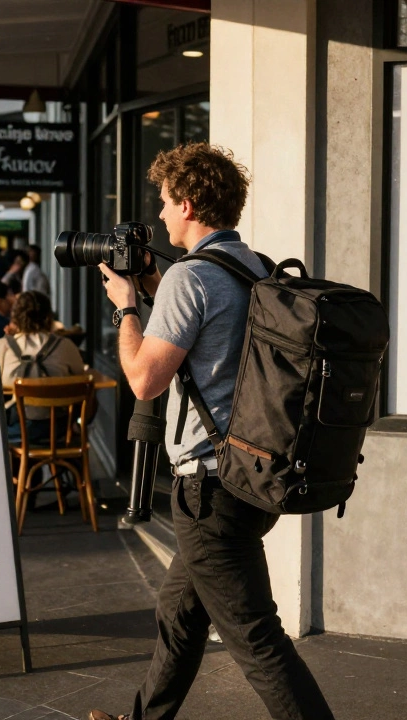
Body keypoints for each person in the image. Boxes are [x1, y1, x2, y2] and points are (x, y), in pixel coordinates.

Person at [89, 143, 333, 720]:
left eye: (166, 203)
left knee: (256, 639)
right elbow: (216, 340)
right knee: (179, 615)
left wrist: (128, 306)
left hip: (209, 487)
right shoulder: (256, 269)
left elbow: (145, 379)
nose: (162, 216)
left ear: (190, 203)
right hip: (255, 472)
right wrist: (154, 289)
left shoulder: (190, 279)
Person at [0, 290, 85, 443]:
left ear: (15, 317)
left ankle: (23, 465)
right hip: (59, 430)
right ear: (48, 316)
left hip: (18, 430)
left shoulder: (4, 346)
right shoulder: (65, 345)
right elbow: (81, 378)